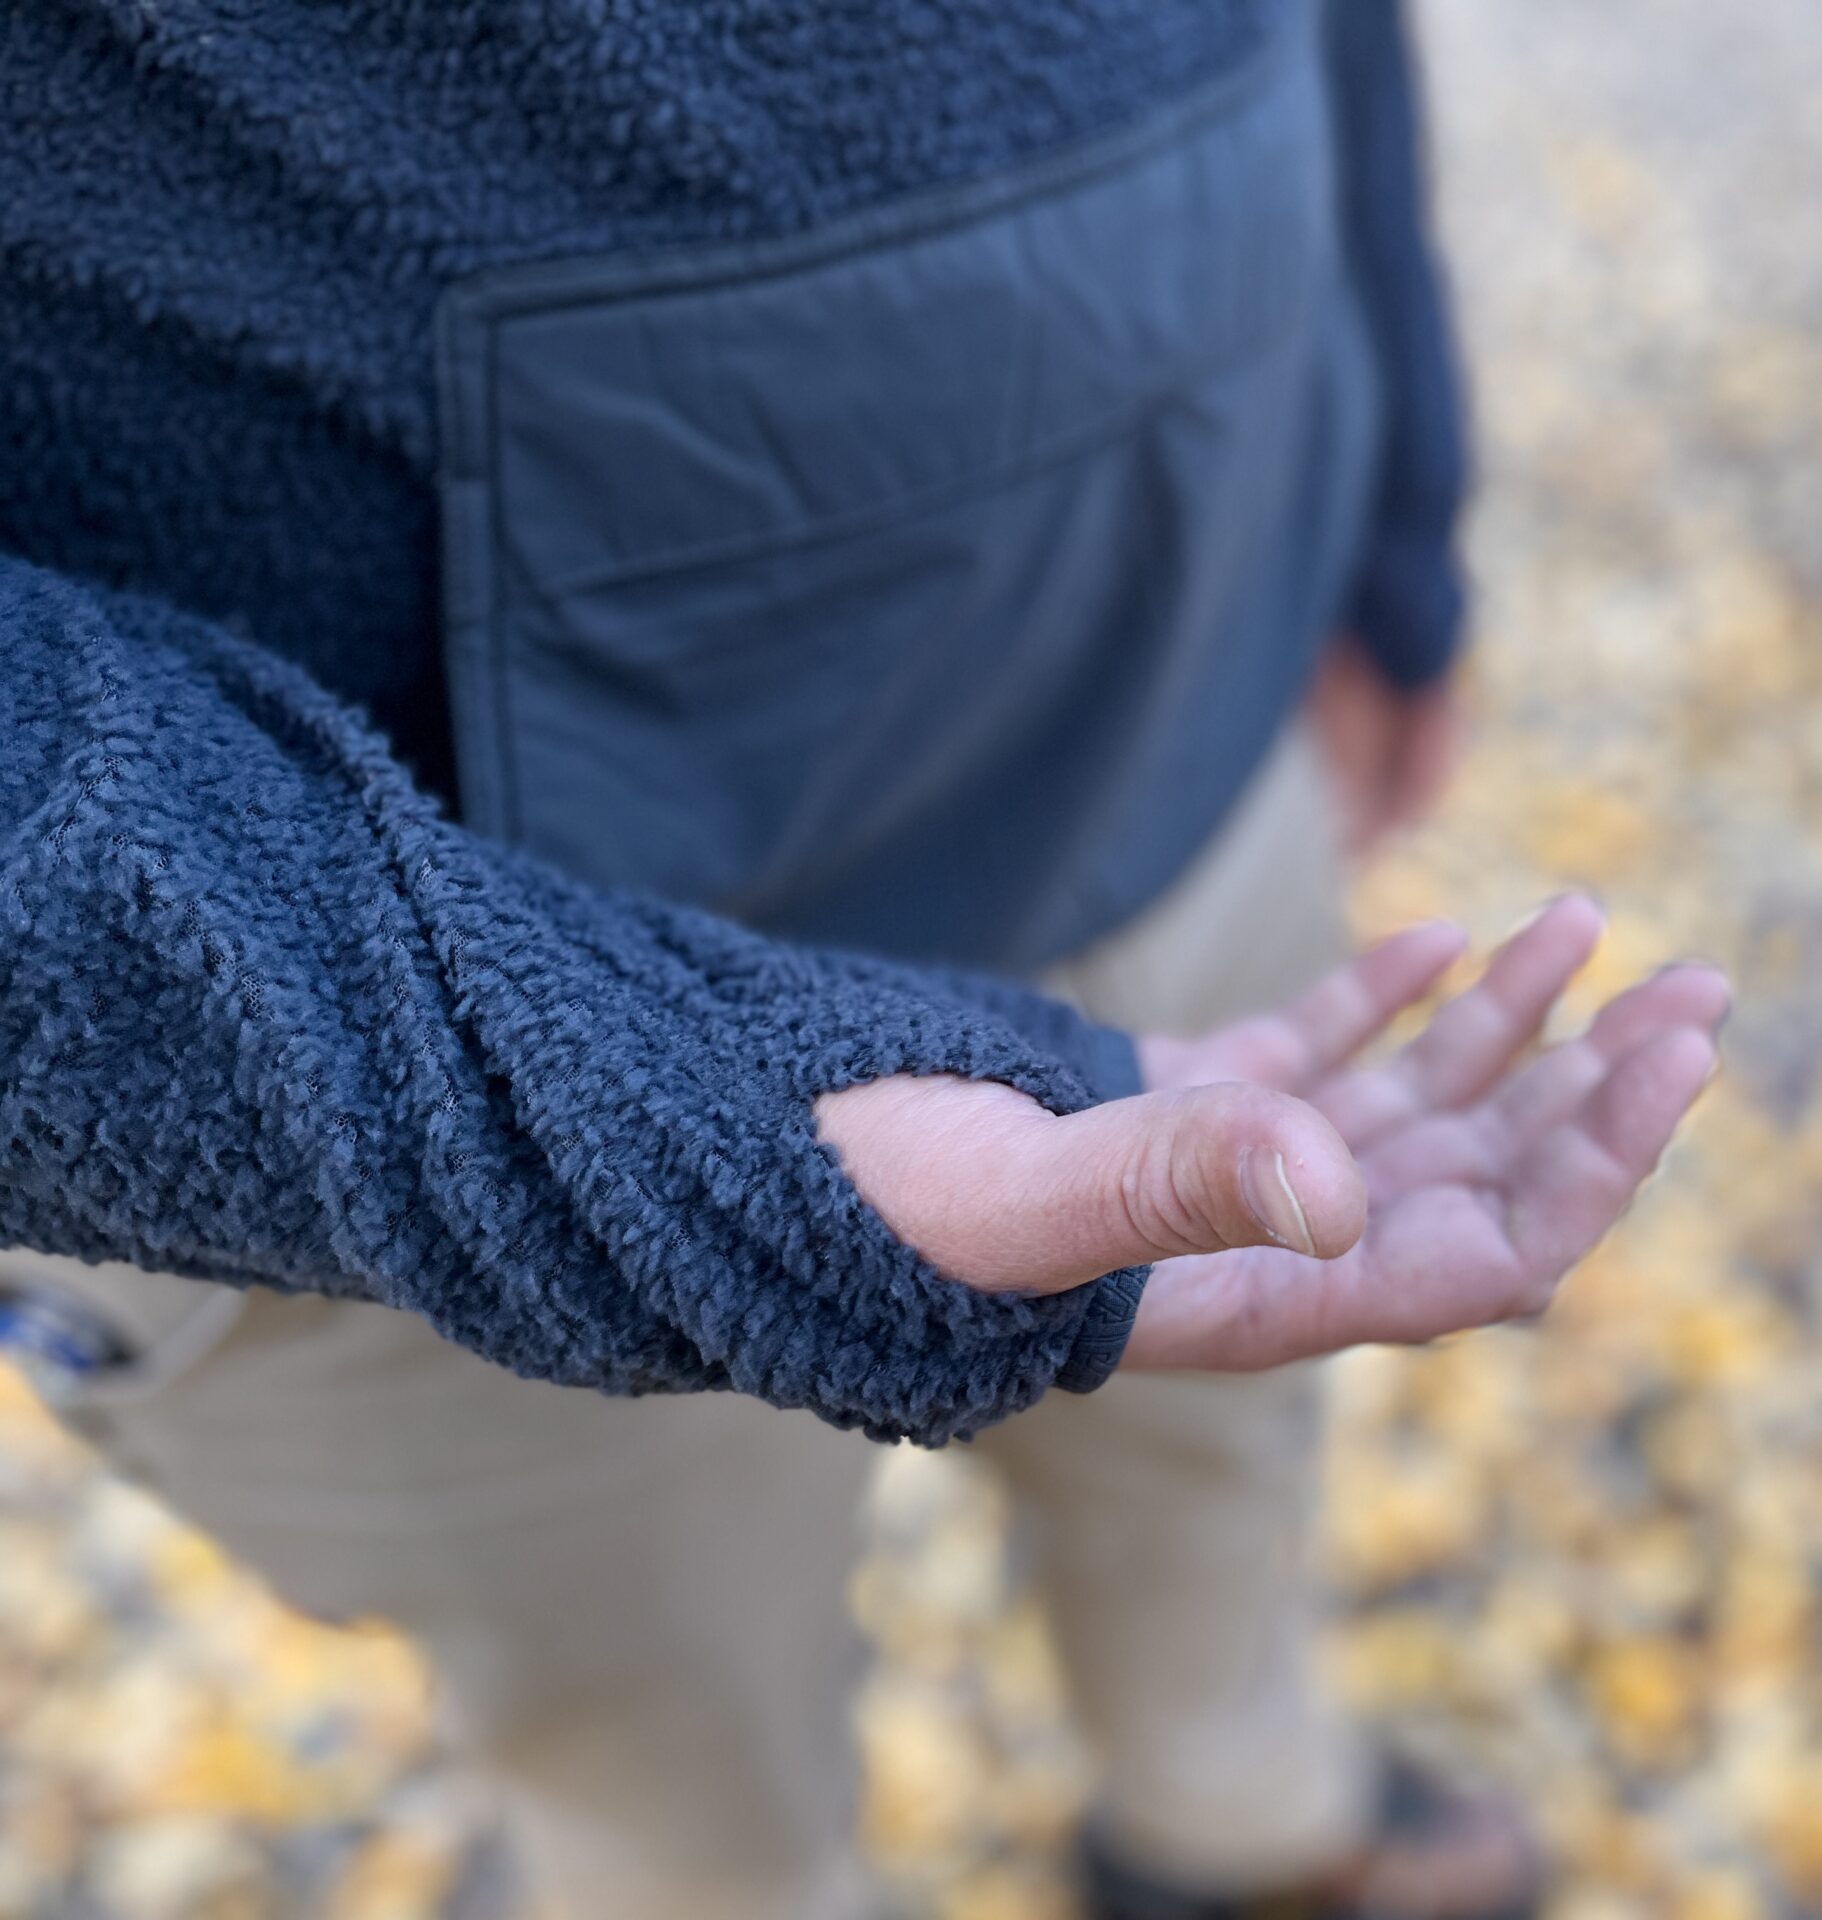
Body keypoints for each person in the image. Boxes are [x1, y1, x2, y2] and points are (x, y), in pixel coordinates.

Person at [0, 4, 1729, 1916]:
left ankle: (1237, 1816)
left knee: (1229, 1432)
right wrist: (668, 1139)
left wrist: (1398, 500)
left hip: (1197, 727)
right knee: (655, 1733)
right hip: (390, 1010)